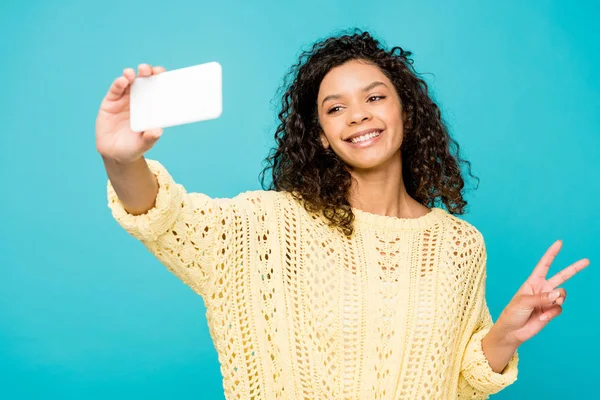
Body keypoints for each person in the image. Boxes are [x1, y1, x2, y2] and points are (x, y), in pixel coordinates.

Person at [96, 30, 589, 399]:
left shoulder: (459, 244)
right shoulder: (266, 227)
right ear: (320, 135)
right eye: (335, 109)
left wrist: (504, 334)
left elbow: (459, 383)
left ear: (406, 113)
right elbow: (166, 217)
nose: (358, 115)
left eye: (375, 97)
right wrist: (122, 159)